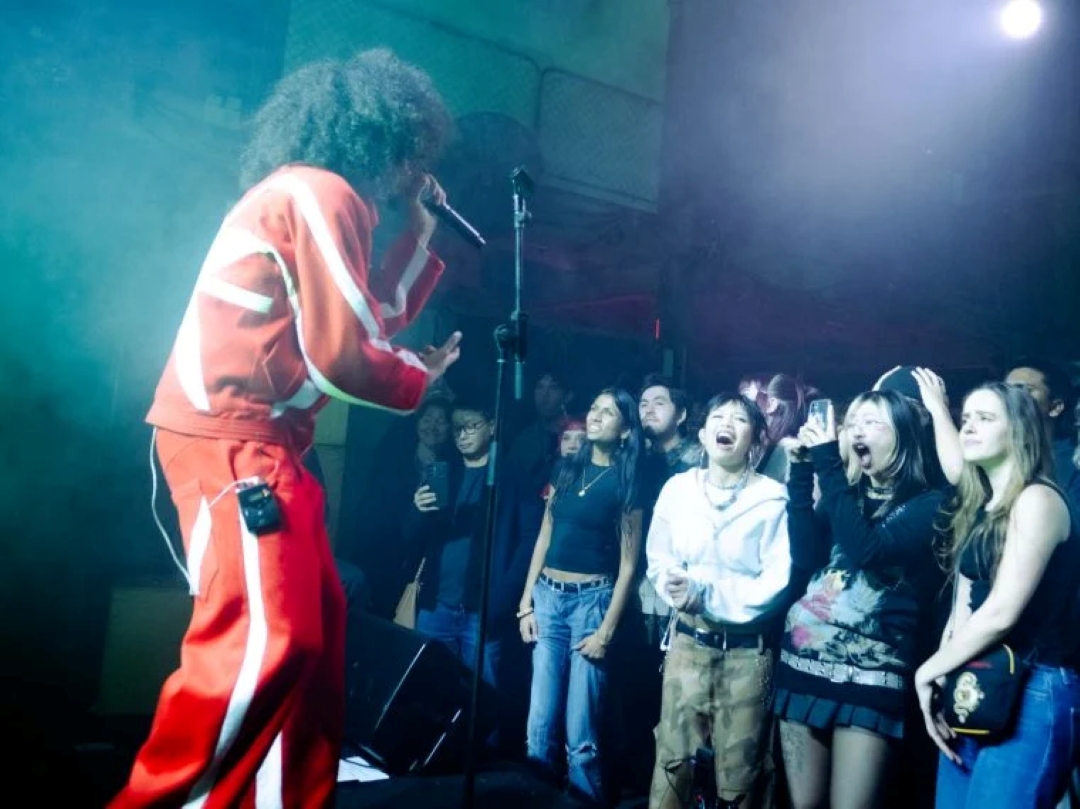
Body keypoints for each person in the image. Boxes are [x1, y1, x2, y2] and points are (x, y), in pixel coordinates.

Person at [110, 50, 461, 809]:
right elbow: (342, 355)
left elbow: (361, 319)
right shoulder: (319, 191)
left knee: (317, 643)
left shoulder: (314, 196)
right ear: (386, 142)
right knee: (263, 644)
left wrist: (418, 237)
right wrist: (414, 378)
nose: (412, 175)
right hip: (232, 442)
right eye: (412, 157)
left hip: (266, 448)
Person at [775, 390, 944, 809]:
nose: (856, 431)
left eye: (871, 422)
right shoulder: (845, 493)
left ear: (903, 435)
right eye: (851, 423)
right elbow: (807, 557)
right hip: (803, 664)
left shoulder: (931, 503)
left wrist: (827, 462)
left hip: (871, 676)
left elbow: (868, 550)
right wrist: (801, 473)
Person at [915, 382, 1080, 808]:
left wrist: (926, 672)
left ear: (1020, 431)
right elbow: (964, 608)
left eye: (985, 418)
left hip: (1035, 685)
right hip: (977, 678)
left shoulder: (1039, 499)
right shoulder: (984, 506)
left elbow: (1002, 611)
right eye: (965, 418)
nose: (968, 427)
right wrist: (945, 674)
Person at [646, 393, 791, 809]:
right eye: (718, 416)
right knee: (672, 765)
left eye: (740, 419)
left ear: (755, 438)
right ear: (703, 432)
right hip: (688, 645)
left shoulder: (772, 498)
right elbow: (660, 557)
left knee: (741, 775)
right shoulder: (678, 489)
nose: (727, 423)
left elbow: (776, 580)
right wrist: (674, 585)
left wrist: (706, 596)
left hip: (747, 655)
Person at [517, 389, 645, 806]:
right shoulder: (567, 468)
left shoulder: (627, 482)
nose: (595, 416)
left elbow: (628, 565)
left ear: (624, 430)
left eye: (608, 412)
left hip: (592, 603)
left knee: (581, 732)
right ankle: (536, 800)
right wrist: (525, 603)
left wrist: (606, 631)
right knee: (538, 724)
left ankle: (583, 801)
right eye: (594, 408)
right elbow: (544, 537)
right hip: (548, 598)